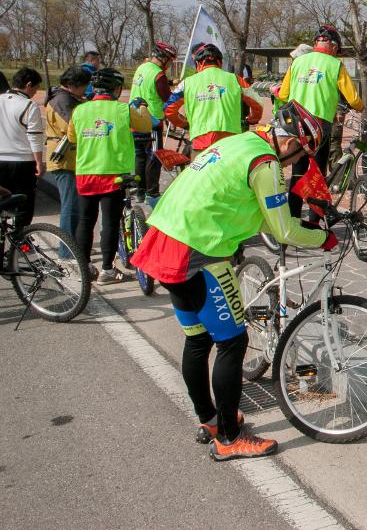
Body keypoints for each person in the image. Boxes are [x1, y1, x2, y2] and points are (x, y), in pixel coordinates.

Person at [130, 101, 334, 461]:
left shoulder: (240, 142)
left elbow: (235, 201)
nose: (293, 165)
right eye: (298, 157)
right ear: (289, 145)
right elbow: (282, 228)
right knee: (232, 342)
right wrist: (324, 239)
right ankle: (228, 437)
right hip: (198, 251)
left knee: (197, 340)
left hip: (163, 238)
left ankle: (208, 419)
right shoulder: (265, 163)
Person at [67, 68, 152, 282]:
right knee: (111, 222)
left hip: (86, 172)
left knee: (86, 221)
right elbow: (145, 125)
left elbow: (72, 137)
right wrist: (142, 105)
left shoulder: (79, 110)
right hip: (113, 174)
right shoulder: (123, 110)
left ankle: (84, 267)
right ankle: (107, 269)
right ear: (114, 88)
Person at [277, 25, 363, 199]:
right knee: (317, 174)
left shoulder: (297, 62)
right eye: (336, 49)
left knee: (298, 171)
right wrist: (360, 107)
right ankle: (314, 221)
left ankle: (295, 216)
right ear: (332, 45)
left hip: (296, 125)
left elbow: (284, 94)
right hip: (319, 127)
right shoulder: (335, 65)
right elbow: (354, 99)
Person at [164, 43, 263, 152]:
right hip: (230, 140)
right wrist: (252, 118)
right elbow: (258, 102)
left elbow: (169, 109)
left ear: (198, 63)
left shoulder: (187, 83)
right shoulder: (235, 80)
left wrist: (185, 124)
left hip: (201, 140)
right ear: (220, 62)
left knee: (199, 168)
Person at [45, 65, 91, 238]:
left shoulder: (68, 98)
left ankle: (74, 243)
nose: (86, 89)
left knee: (75, 204)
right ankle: (67, 248)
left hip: (72, 159)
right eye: (84, 85)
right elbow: (72, 127)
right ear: (72, 84)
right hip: (63, 158)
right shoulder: (62, 101)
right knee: (70, 205)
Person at [0, 67, 47, 230]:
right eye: (35, 88)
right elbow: (35, 137)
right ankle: (20, 237)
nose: (35, 92)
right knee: (23, 204)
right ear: (28, 85)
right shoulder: (29, 105)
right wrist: (39, 162)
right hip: (22, 162)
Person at [130, 41, 177, 202]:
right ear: (164, 58)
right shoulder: (159, 74)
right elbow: (167, 98)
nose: (171, 64)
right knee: (154, 156)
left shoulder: (142, 68)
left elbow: (149, 86)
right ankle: (152, 191)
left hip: (135, 117)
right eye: (171, 61)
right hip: (152, 121)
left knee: (140, 156)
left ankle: (140, 190)